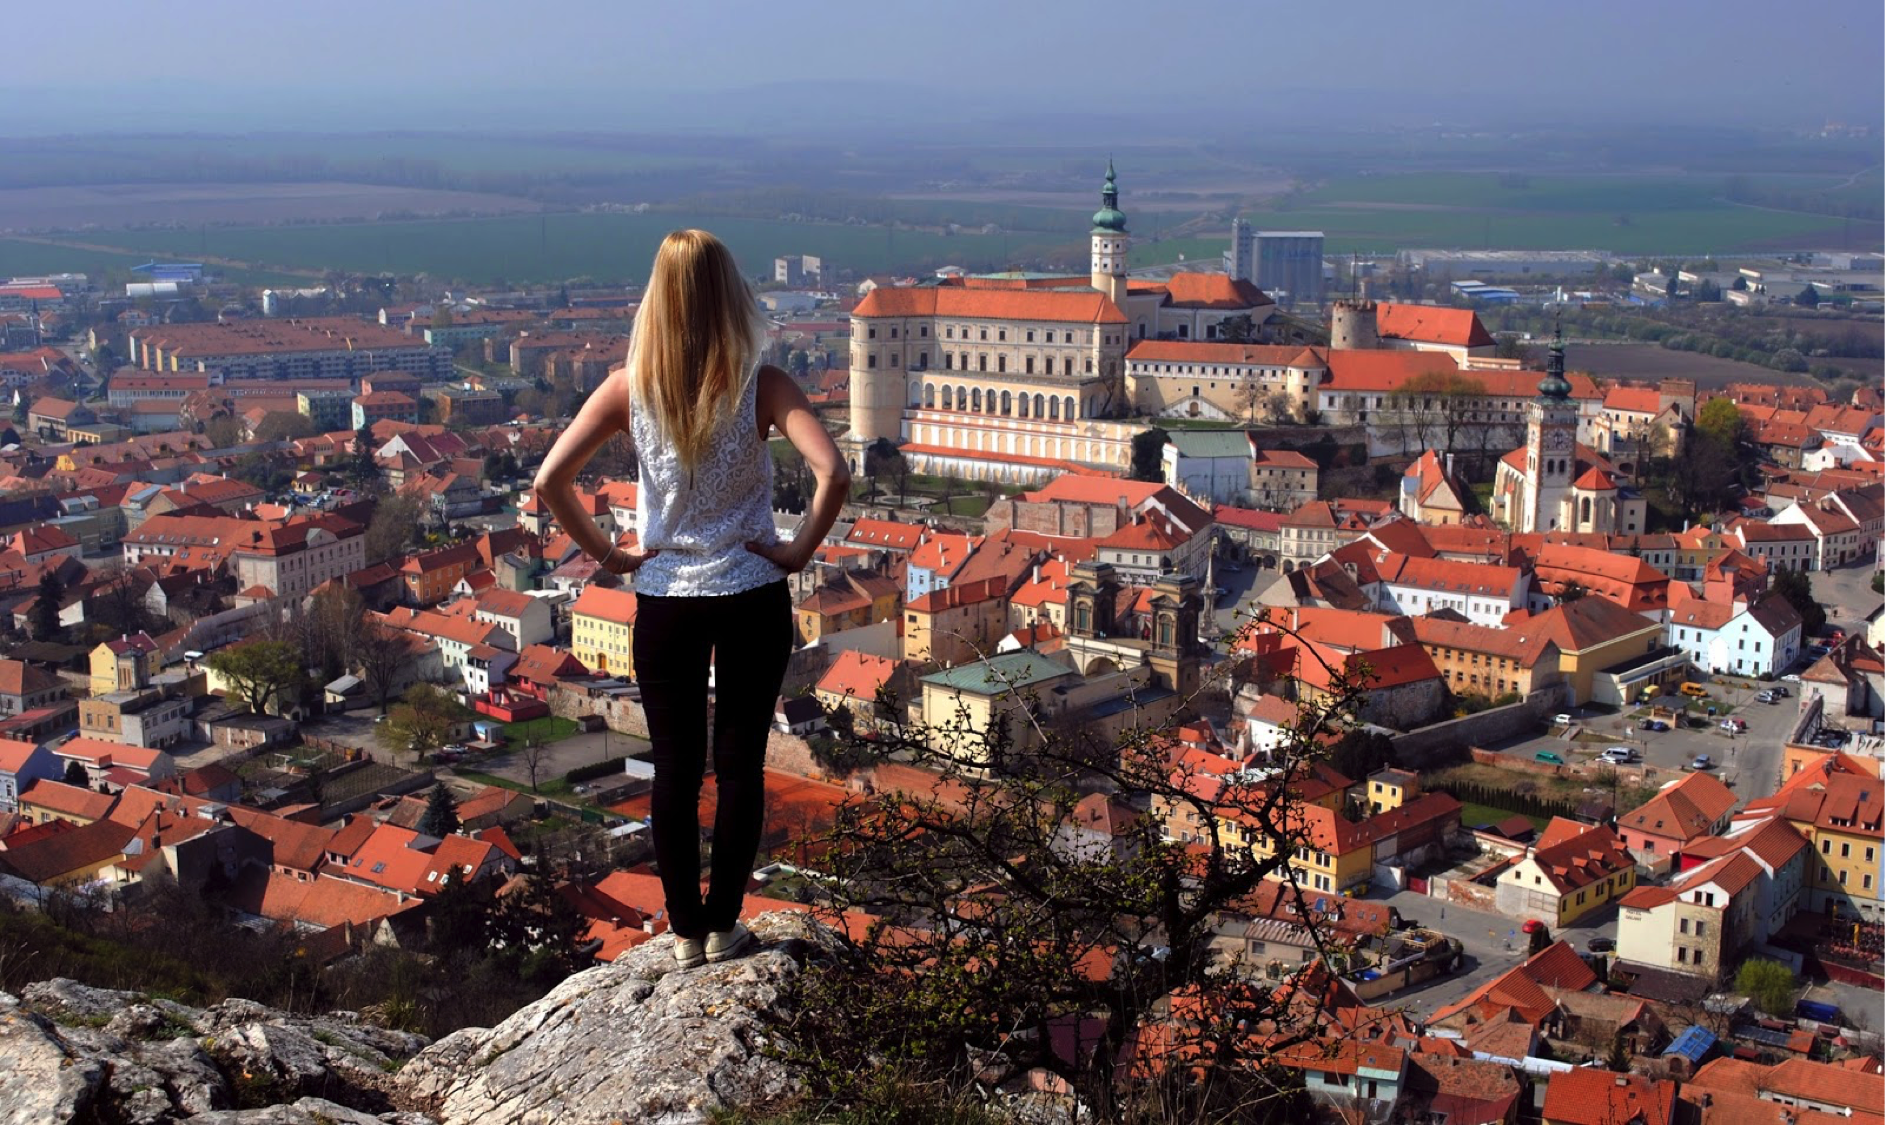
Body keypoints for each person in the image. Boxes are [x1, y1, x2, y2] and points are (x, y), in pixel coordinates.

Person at [533, 230, 849, 969]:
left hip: (666, 597)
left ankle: (681, 934)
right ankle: (724, 923)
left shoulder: (626, 387)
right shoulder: (761, 382)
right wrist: (797, 551)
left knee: (674, 767)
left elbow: (550, 481)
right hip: (748, 591)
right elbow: (832, 471)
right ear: (727, 293)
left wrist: (610, 555)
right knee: (741, 767)